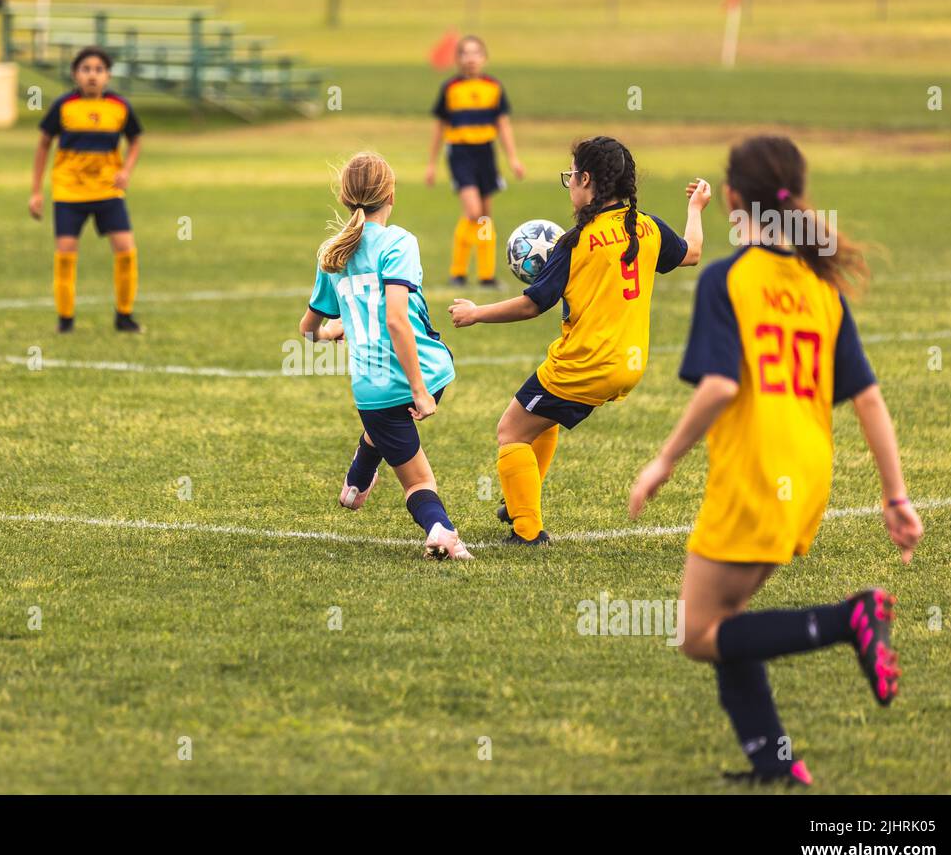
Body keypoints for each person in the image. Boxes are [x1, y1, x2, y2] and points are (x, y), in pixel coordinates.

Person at [628, 135, 923, 785]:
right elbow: (868, 398)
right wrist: (895, 496)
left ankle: (851, 618)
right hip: (809, 473)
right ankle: (775, 765)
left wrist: (664, 461)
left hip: (757, 475)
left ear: (732, 198)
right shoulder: (821, 290)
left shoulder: (727, 280)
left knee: (698, 635)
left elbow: (721, 386)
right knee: (726, 623)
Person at [449, 136, 709, 544]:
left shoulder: (575, 242)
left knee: (510, 432)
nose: (569, 182)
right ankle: (522, 496)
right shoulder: (647, 227)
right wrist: (695, 209)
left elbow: (533, 304)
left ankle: (527, 531)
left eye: (571, 174)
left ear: (587, 180)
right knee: (541, 418)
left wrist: (475, 314)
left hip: (583, 364)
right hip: (629, 365)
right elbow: (692, 252)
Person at [300, 151, 471, 560]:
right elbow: (396, 320)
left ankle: (364, 478)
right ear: (391, 194)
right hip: (429, 374)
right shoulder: (399, 242)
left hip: (372, 390)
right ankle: (438, 531)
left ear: (345, 196)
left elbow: (308, 331)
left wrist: (331, 330)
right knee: (415, 477)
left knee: (400, 455)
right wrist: (419, 390)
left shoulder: (332, 251)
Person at [29, 47, 144, 334]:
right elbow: (43, 143)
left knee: (126, 250)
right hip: (70, 192)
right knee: (66, 253)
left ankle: (124, 316)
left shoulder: (119, 106)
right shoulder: (64, 106)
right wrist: (36, 191)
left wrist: (126, 171)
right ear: (75, 74)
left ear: (108, 75)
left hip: (107, 191)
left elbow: (136, 139)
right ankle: (65, 320)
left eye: (98, 70)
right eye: (86, 69)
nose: (92, 75)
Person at [426, 36, 524, 289]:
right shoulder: (450, 88)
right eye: (465, 53)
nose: (470, 58)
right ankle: (457, 272)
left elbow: (503, 125)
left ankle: (486, 276)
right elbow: (439, 127)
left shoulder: (493, 87)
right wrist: (431, 164)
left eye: (476, 53)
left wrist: (513, 159)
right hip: (460, 154)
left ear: (484, 58)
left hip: (486, 154)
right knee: (473, 212)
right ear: (458, 59)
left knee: (484, 216)